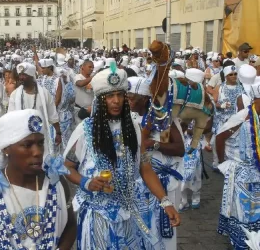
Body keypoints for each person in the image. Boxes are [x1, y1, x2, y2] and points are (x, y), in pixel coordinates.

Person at [63, 66, 180, 249]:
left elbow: (145, 168)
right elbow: (66, 167)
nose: (116, 101)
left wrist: (165, 202)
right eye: (110, 96)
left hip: (128, 214)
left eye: (120, 95)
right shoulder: (85, 130)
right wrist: (86, 182)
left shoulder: (133, 128)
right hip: (97, 217)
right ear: (100, 100)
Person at [0, 109, 77, 249]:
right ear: (6, 149)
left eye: (40, 143)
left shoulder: (57, 185)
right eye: (27, 145)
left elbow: (69, 225)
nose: (38, 152)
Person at [127, 76, 185, 250]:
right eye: (127, 97)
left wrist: (155, 144)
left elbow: (180, 149)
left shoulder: (163, 118)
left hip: (163, 183)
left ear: (144, 99)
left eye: (131, 98)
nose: (128, 101)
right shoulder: (130, 117)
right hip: (140, 184)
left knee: (163, 230)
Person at [215, 79, 260, 249]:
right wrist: (222, 162)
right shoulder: (242, 117)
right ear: (255, 100)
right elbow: (220, 137)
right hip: (242, 174)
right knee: (242, 214)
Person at [8, 62, 62, 150]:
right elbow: (11, 117)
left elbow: (53, 116)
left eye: (24, 75)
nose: (21, 77)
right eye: (20, 75)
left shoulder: (44, 94)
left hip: (41, 136)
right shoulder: (15, 95)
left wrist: (58, 133)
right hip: (22, 137)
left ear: (32, 76)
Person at [212, 65, 243, 170]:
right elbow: (213, 102)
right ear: (226, 76)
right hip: (222, 120)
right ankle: (219, 164)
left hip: (237, 120)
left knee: (234, 144)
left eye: (235, 74)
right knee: (217, 142)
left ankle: (231, 166)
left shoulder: (241, 87)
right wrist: (221, 105)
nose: (234, 76)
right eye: (231, 74)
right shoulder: (220, 87)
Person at [74, 60, 94, 125]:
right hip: (80, 110)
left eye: (93, 67)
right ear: (83, 67)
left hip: (91, 110)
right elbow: (80, 84)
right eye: (90, 67)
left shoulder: (93, 79)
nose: (91, 69)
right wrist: (93, 77)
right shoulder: (77, 77)